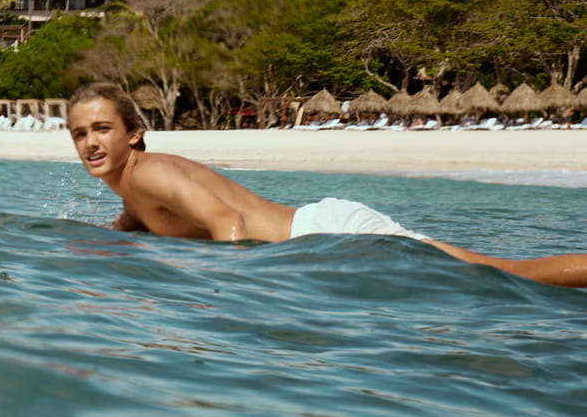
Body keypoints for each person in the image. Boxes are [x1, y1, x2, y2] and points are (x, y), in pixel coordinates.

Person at [65, 82, 587, 288]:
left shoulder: (150, 172)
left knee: (508, 276)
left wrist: (231, 297)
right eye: (79, 133)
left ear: (134, 134)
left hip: (329, 237)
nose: (89, 142)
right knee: (493, 281)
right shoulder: (135, 191)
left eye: (102, 129)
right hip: (320, 245)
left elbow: (230, 223)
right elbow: (131, 232)